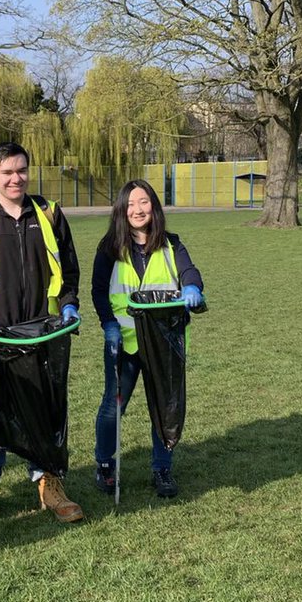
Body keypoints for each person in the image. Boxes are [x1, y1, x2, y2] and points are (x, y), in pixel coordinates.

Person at [0, 142, 83, 524]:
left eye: (21, 170)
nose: (16, 178)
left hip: (42, 334)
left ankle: (48, 483)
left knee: (44, 411)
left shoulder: (48, 214)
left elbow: (69, 268)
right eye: (7, 172)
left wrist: (69, 303)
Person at [90, 180, 204, 499]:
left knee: (164, 408)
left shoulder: (171, 244)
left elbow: (190, 272)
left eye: (143, 202)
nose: (137, 210)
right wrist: (109, 325)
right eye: (130, 204)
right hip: (124, 344)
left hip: (163, 343)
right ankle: (104, 464)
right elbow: (98, 291)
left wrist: (192, 287)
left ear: (153, 206)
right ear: (121, 210)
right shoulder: (110, 247)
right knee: (113, 407)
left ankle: (162, 468)